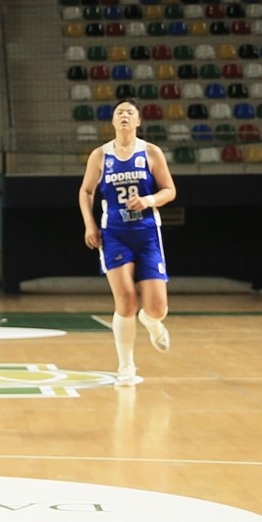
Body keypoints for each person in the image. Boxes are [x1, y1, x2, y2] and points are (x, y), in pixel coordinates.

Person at [78, 99, 176, 387]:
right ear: (112, 121)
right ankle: (126, 366)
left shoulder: (151, 152)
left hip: (146, 232)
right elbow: (86, 191)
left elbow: (170, 190)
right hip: (115, 233)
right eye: (119, 112)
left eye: (130, 112)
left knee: (157, 307)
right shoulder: (100, 155)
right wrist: (89, 224)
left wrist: (148, 200)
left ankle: (152, 322)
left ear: (138, 122)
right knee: (125, 301)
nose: (124, 115)